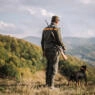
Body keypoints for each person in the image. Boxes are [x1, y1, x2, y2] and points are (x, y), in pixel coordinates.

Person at [41, 16, 66, 89]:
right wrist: (63, 47)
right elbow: (59, 40)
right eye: (58, 21)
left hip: (46, 50)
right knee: (54, 67)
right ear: (57, 21)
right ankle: (51, 86)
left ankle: (47, 84)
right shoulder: (56, 28)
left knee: (48, 67)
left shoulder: (45, 28)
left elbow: (42, 41)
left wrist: (43, 50)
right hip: (54, 50)